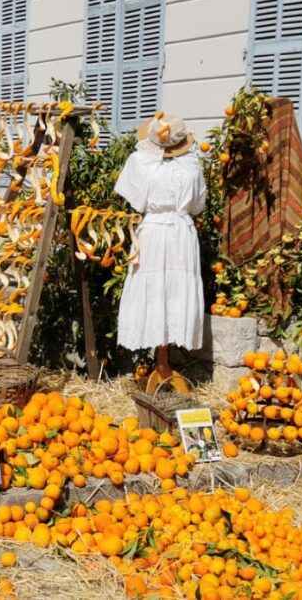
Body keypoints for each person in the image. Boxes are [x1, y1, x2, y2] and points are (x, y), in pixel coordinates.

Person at [114, 112, 206, 393]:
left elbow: (137, 201)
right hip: (170, 231)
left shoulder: (177, 164)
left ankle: (164, 363)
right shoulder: (179, 164)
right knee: (159, 290)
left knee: (167, 290)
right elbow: (197, 205)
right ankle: (160, 364)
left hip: (166, 231)